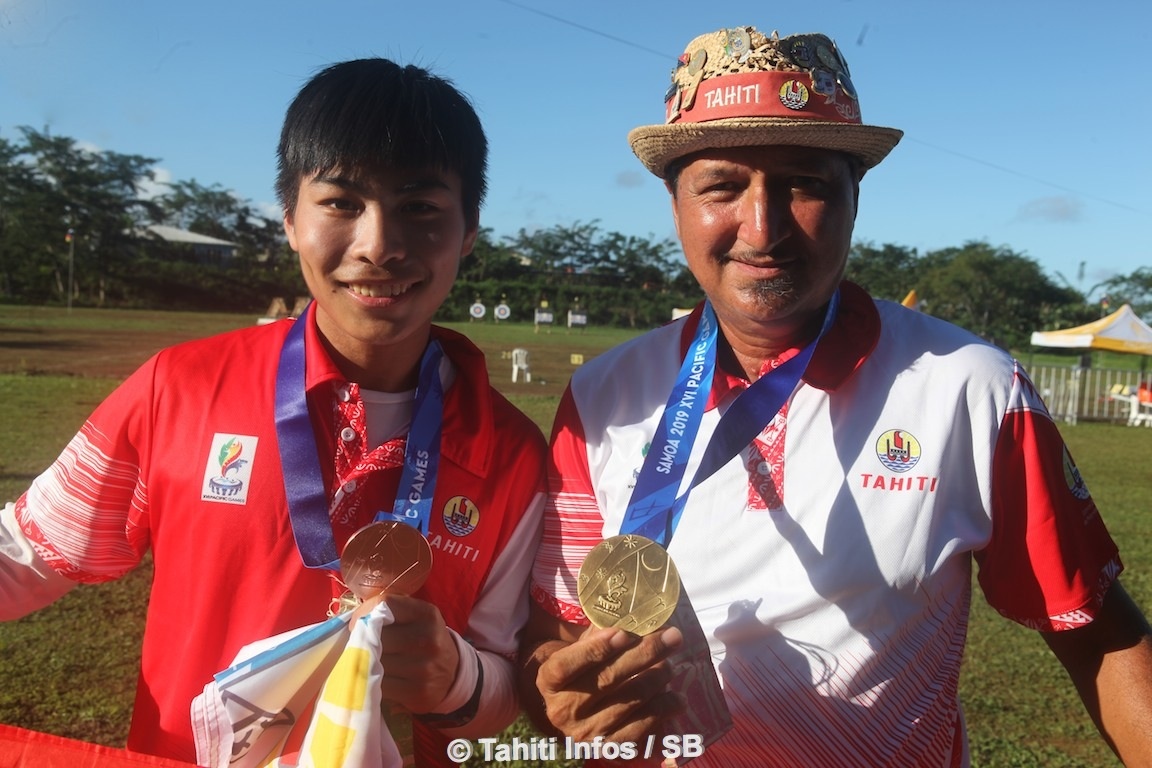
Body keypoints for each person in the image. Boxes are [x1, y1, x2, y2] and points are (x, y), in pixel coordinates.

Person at [520, 25, 1152, 766]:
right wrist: (557, 691)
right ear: (675, 201)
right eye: (722, 186)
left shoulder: (972, 387)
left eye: (805, 184)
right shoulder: (602, 396)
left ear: (855, 196)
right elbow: (555, 632)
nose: (763, 228)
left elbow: (1100, 636)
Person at [1, 58, 548, 766]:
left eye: (420, 208)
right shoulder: (180, 388)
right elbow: (27, 552)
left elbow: (499, 692)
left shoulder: (510, 452)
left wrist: (455, 676)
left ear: (469, 230)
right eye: (341, 202)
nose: (379, 246)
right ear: (291, 219)